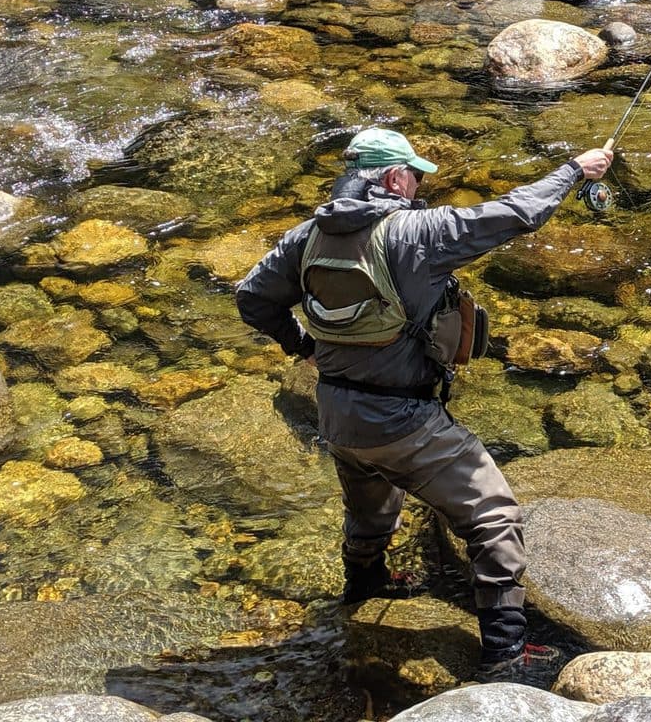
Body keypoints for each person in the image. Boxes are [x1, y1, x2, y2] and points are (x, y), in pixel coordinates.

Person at [235, 127, 613, 685]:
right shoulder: (419, 232)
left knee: (370, 505)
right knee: (495, 517)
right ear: (393, 178)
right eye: (415, 175)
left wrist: (304, 347)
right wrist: (573, 171)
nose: (418, 186)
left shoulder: (305, 237)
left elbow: (250, 297)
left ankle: (365, 585)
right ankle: (507, 652)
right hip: (405, 421)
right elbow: (513, 213)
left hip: (338, 417)